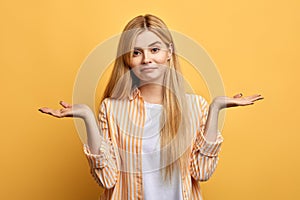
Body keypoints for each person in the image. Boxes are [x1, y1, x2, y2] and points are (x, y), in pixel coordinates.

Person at [38, 14, 263, 200]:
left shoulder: (196, 107)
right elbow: (106, 180)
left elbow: (202, 173)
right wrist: (87, 116)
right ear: (127, 59)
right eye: (136, 52)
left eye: (154, 50)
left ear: (169, 52)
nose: (146, 59)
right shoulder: (112, 109)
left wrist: (215, 109)